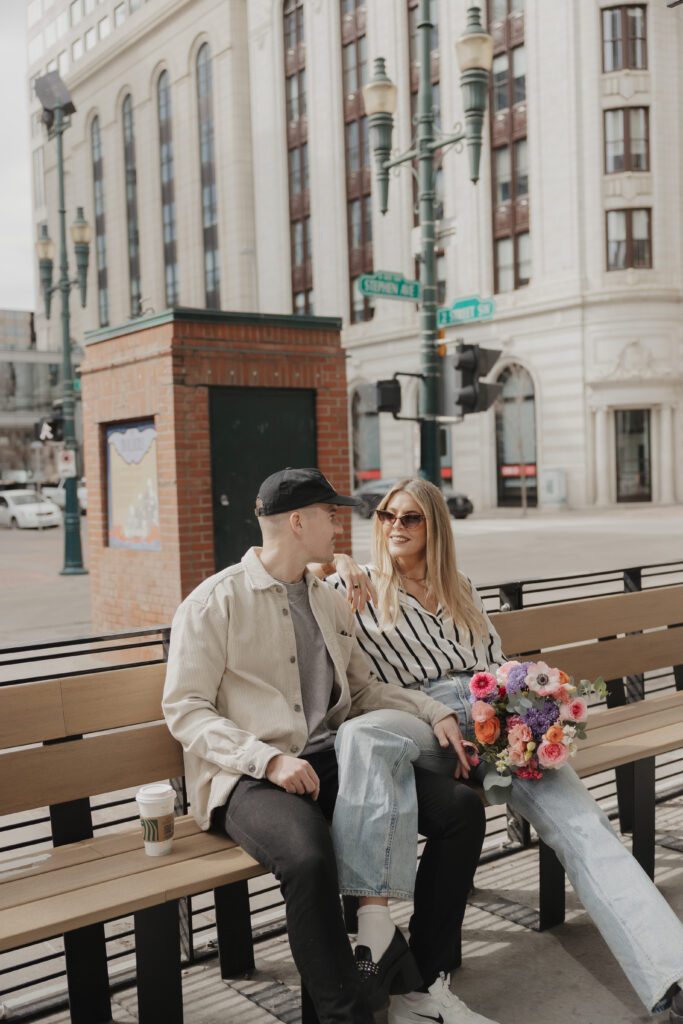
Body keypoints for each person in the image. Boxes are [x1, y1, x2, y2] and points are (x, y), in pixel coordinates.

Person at [324, 477, 683, 1024]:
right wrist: (334, 562)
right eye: (384, 515)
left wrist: (532, 712)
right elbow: (286, 578)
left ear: (435, 527)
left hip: (497, 718)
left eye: (410, 517)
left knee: (587, 828)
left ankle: (671, 976)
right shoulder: (358, 588)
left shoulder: (461, 587)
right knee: (363, 733)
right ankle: (374, 924)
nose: (394, 526)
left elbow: (496, 662)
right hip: (421, 719)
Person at [162, 467, 489, 1024]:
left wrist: (434, 711)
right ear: (297, 521)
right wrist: (266, 758)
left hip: (330, 759)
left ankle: (419, 988)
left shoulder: (327, 600)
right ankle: (347, 1015)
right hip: (248, 776)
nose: (340, 523)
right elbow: (186, 709)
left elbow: (361, 688)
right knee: (311, 858)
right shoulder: (214, 603)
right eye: (328, 513)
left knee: (460, 811)